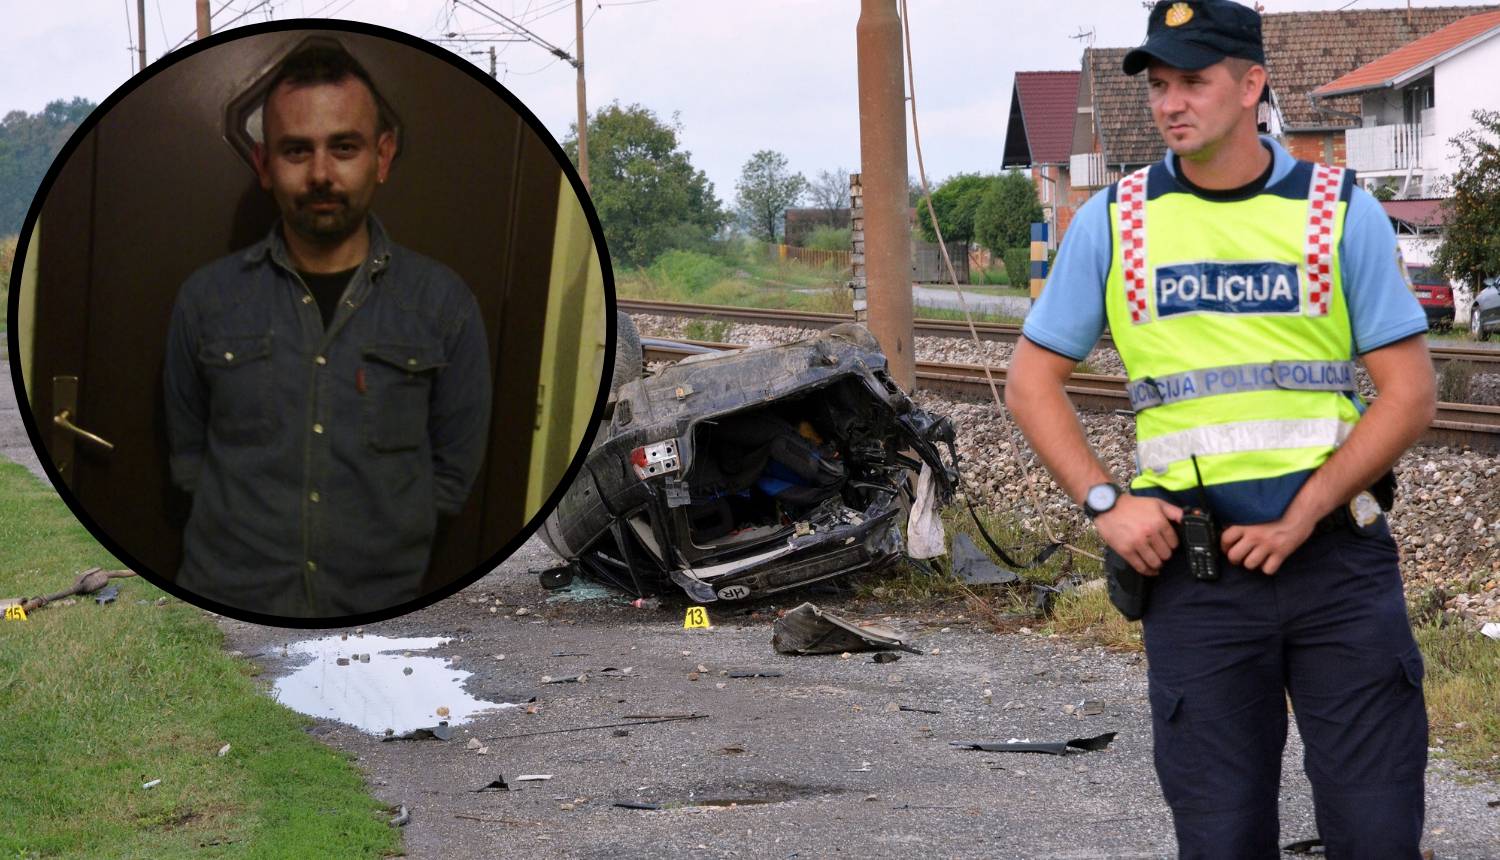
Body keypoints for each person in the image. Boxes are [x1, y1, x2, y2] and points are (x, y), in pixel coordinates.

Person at [1004, 1, 1435, 856]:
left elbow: (1409, 394)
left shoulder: (1337, 210)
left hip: (1339, 569)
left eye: (1193, 82)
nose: (1171, 103)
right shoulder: (1115, 220)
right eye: (1160, 85)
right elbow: (1029, 383)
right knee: (1221, 837)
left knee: (1378, 831)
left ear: (1250, 85)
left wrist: (1304, 513)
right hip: (1196, 581)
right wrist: (1104, 503)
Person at [164, 43, 491, 618]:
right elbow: (189, 460)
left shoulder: (444, 305)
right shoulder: (205, 300)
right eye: (297, 150)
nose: (320, 174)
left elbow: (451, 474)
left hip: (381, 608)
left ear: (382, 157)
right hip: (222, 604)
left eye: (344, 147)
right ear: (265, 165)